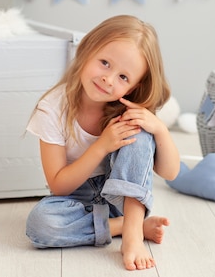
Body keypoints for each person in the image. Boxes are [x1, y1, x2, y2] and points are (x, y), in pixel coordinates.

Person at [25, 14, 181, 271]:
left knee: (139, 132)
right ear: (87, 50)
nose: (108, 79)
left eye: (123, 77)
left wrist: (160, 129)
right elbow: (59, 186)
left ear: (132, 87)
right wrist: (102, 146)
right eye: (105, 63)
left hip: (120, 198)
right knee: (41, 224)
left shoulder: (127, 110)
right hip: (76, 201)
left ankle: (131, 231)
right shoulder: (52, 109)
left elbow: (170, 172)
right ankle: (125, 227)